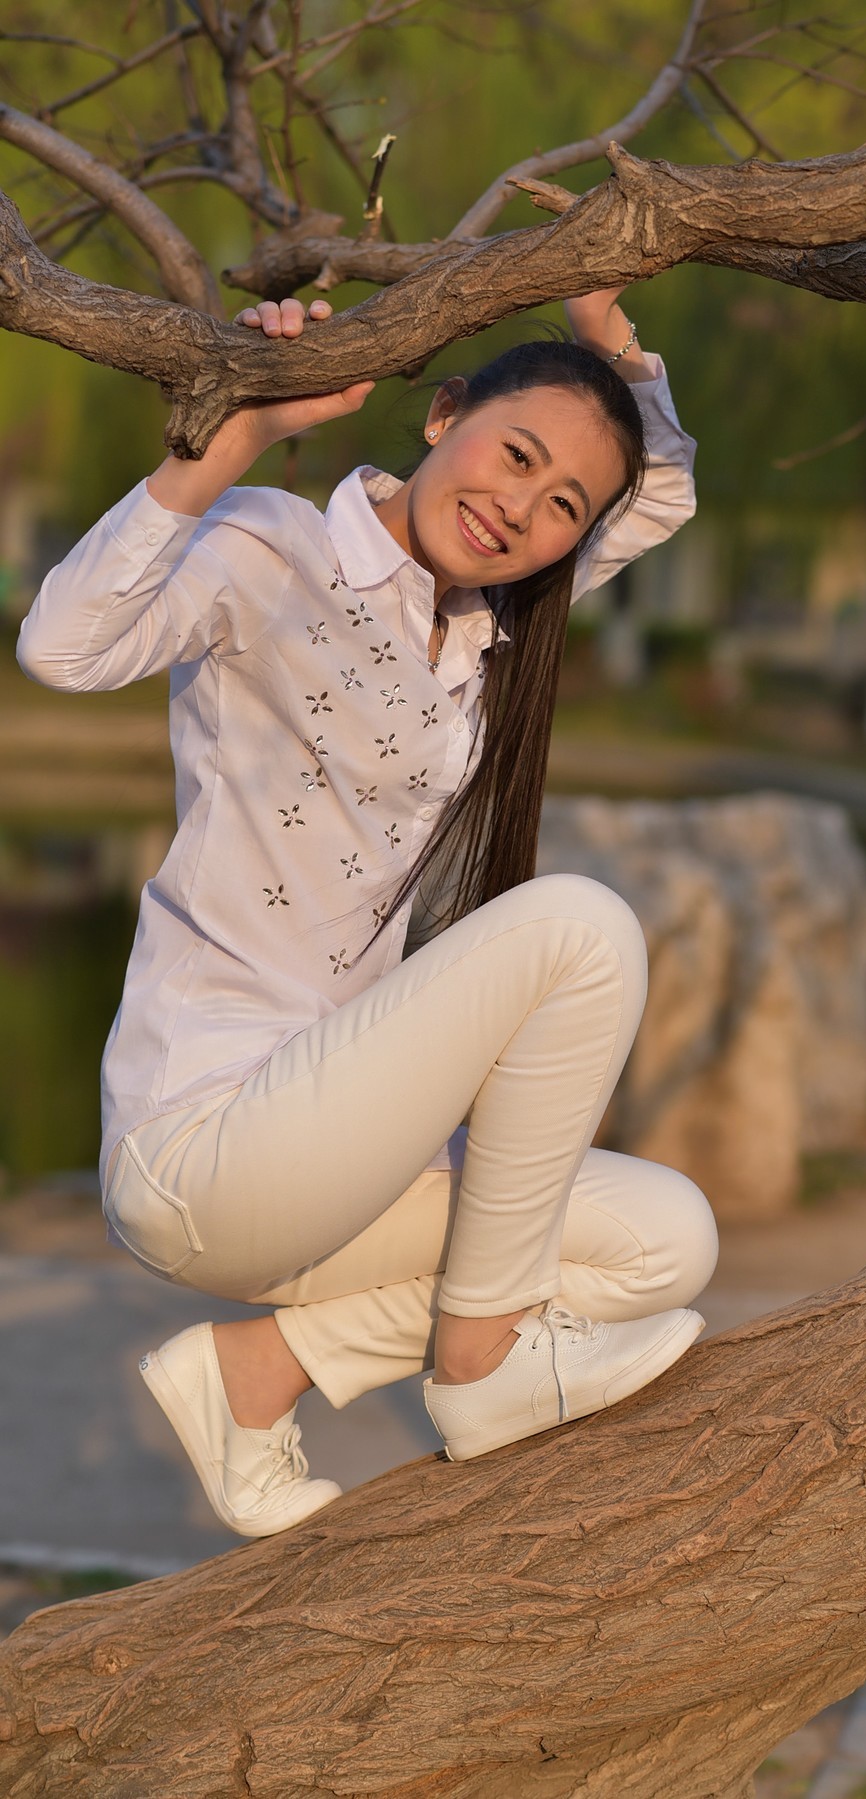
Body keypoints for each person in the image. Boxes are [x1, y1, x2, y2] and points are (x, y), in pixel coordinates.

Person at [16, 286, 718, 1538]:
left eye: (564, 505)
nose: (523, 508)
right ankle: (483, 1368)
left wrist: (608, 331)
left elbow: (656, 491)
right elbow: (63, 647)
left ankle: (257, 1372)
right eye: (516, 455)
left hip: (338, 1152)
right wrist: (241, 426)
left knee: (668, 1237)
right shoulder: (273, 548)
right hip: (205, 1138)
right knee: (577, 928)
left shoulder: (491, 627)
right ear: (443, 414)